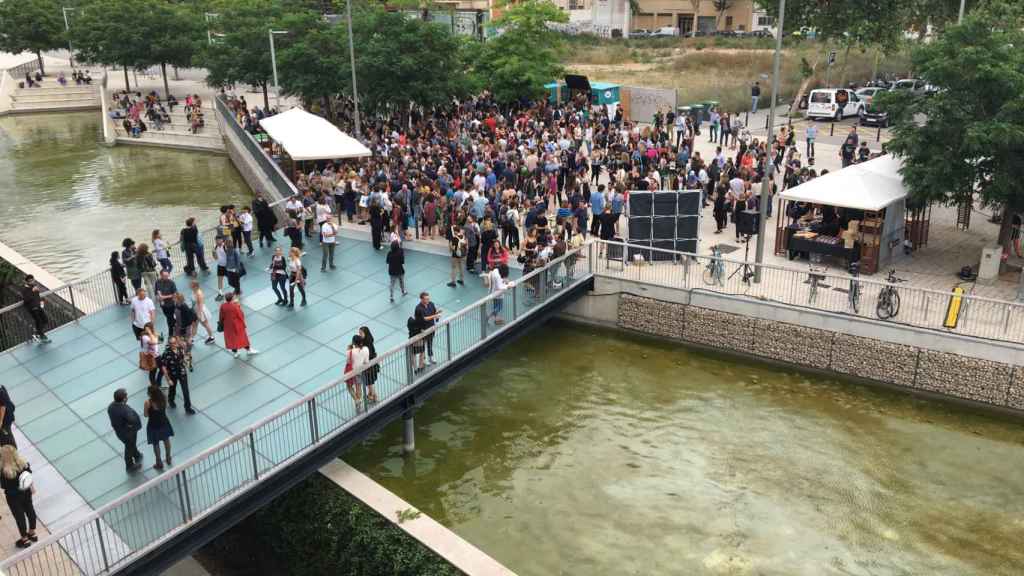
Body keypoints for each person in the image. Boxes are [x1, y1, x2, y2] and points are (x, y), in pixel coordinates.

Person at [1, 445, 38, 548]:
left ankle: (25, 539)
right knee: (30, 510)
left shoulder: (5, 471)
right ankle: (32, 533)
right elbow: (29, 474)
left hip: (13, 497)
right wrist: (31, 487)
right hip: (26, 492)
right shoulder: (23, 463)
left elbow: (3, 486)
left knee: (19, 517)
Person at [108, 388, 143, 472]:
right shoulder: (124, 409)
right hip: (128, 432)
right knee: (129, 447)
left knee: (130, 444)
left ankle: (136, 454)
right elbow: (132, 419)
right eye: (126, 396)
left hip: (120, 432)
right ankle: (129, 465)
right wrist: (131, 424)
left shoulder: (111, 406)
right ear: (124, 399)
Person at [219, 292, 258, 358]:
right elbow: (240, 314)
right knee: (242, 338)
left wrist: (222, 323)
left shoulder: (223, 306)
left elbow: (221, 316)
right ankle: (248, 350)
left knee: (231, 339)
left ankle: (235, 352)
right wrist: (238, 305)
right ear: (232, 298)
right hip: (237, 325)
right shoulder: (235, 306)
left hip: (228, 325)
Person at [144, 385, 174, 470]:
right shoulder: (164, 398)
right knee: (166, 440)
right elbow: (165, 406)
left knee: (155, 443)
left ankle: (159, 462)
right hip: (164, 422)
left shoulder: (148, 403)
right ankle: (168, 457)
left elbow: (146, 415)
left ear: (150, 394)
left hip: (153, 425)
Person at [20, 275, 49, 344]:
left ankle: (37, 334)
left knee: (45, 320)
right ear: (27, 282)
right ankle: (41, 336)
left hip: (38, 306)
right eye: (31, 281)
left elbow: (37, 296)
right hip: (32, 308)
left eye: (33, 280)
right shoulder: (24, 289)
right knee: (38, 321)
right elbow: (26, 300)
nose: (33, 282)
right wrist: (32, 291)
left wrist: (41, 301)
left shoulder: (34, 287)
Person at [414, 292, 441, 365]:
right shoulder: (418, 308)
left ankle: (430, 356)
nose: (428, 300)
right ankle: (423, 359)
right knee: (423, 344)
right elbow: (424, 319)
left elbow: (434, 312)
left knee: (430, 342)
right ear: (421, 299)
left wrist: (437, 313)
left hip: (431, 327)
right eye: (426, 299)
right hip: (422, 329)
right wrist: (434, 316)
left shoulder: (431, 304)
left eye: (428, 299)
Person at [190, 280, 216, 344]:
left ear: (195, 286)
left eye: (191, 285)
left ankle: (212, 337)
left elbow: (201, 304)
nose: (190, 286)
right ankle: (191, 338)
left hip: (200, 311)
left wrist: (199, 314)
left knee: (205, 324)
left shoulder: (199, 293)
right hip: (195, 310)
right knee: (194, 325)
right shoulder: (194, 291)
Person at [154, 269, 177, 337]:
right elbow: (156, 292)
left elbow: (175, 294)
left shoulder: (171, 283)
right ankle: (175, 327)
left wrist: (164, 297)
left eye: (167, 275)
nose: (167, 277)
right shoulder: (157, 282)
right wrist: (158, 297)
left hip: (171, 304)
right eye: (165, 276)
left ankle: (171, 332)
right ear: (161, 275)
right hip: (163, 305)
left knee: (169, 319)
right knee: (169, 317)